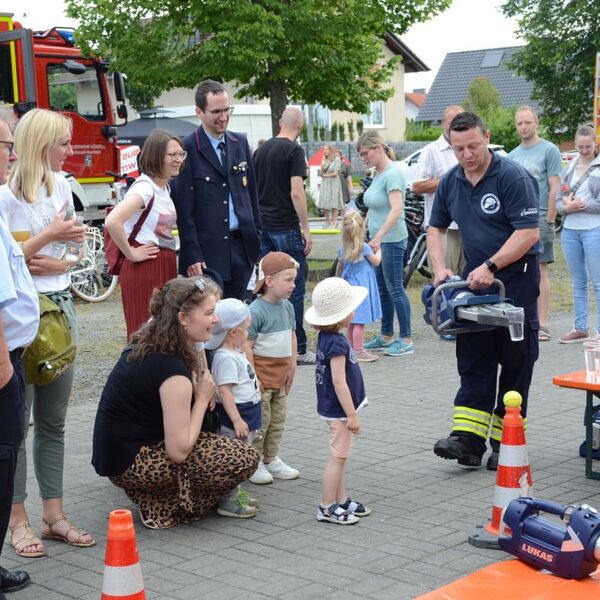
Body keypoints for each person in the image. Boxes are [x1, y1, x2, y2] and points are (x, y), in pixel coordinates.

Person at [92, 277, 259, 529]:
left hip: (120, 453)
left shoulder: (155, 340)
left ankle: (156, 495)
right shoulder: (170, 367)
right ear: (182, 318)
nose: (217, 320)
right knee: (244, 457)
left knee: (212, 441)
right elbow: (178, 451)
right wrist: (202, 398)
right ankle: (163, 503)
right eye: (210, 313)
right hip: (134, 461)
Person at [0, 109, 94, 558]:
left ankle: (53, 515)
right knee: (17, 425)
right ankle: (16, 521)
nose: (70, 151)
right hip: (21, 318)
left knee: (53, 423)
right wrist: (46, 238)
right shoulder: (5, 196)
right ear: (41, 145)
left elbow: (76, 250)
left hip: (60, 308)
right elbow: (8, 258)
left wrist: (62, 259)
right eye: (63, 143)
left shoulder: (62, 187)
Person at [427, 111, 540, 471]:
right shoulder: (451, 181)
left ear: (487, 136)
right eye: (459, 148)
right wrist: (440, 268)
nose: (467, 154)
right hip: (475, 283)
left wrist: (491, 266)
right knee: (474, 358)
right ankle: (468, 441)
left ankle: (506, 442)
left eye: (473, 145)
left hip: (514, 280)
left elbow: (528, 233)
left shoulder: (511, 177)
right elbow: (436, 228)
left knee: (516, 361)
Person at [172, 79, 260, 300]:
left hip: (242, 248)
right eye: (216, 111)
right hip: (206, 255)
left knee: (237, 316)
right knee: (209, 320)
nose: (223, 117)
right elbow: (184, 209)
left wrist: (256, 236)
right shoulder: (188, 149)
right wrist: (191, 254)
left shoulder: (239, 143)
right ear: (199, 112)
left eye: (227, 110)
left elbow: (251, 197)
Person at [0, 110, 38, 597]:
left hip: (11, 352)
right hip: (3, 359)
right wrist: (4, 366)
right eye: (6, 144)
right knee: (2, 461)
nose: (11, 154)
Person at [104, 130, 183, 339]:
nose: (178, 160)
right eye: (172, 155)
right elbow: (112, 221)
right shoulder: (145, 188)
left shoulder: (163, 187)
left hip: (161, 264)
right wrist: (131, 253)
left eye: (180, 154)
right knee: (144, 332)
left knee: (162, 331)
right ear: (156, 156)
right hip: (145, 267)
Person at [305, 277, 371, 525]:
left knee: (341, 456)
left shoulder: (327, 337)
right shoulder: (337, 342)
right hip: (340, 411)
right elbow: (338, 382)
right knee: (338, 457)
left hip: (334, 408)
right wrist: (351, 414)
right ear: (343, 315)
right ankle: (326, 505)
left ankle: (340, 499)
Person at [253, 107, 314, 364]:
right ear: (300, 126)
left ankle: (266, 339)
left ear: (280, 122)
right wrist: (306, 228)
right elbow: (297, 191)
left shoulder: (260, 151)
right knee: (293, 285)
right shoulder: (294, 151)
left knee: (266, 284)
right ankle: (297, 346)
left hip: (263, 226)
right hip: (286, 226)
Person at [357, 131, 413, 357]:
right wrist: (363, 227)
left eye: (365, 153)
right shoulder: (378, 174)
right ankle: (387, 334)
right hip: (378, 240)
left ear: (378, 149)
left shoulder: (393, 174)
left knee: (395, 287)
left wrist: (378, 236)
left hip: (391, 239)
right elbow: (372, 205)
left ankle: (406, 338)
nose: (363, 158)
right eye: (361, 155)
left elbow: (397, 209)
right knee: (383, 289)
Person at [245, 252, 299, 484]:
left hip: (281, 376)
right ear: (269, 281)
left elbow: (293, 336)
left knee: (278, 420)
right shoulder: (255, 310)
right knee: (261, 421)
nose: (293, 285)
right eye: (288, 280)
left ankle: (271, 458)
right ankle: (253, 461)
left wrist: (292, 365)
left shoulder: (288, 307)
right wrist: (254, 377)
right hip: (263, 378)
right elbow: (247, 345)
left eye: (293, 279)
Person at [508, 106, 561, 342]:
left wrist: (550, 217)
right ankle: (525, 321)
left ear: (537, 122)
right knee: (520, 271)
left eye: (527, 122)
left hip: (540, 217)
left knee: (540, 270)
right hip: (517, 221)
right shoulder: (512, 155)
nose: (523, 127)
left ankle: (544, 323)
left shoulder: (549, 150)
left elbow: (554, 186)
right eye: (519, 123)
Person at [205, 298, 262, 518]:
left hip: (248, 411)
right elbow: (226, 391)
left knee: (242, 457)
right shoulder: (225, 357)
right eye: (247, 329)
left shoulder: (235, 352)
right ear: (234, 332)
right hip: (235, 416)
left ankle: (238, 496)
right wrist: (237, 420)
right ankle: (228, 502)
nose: (248, 334)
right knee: (234, 461)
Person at [556, 124, 600, 343]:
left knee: (598, 281)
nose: (584, 151)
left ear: (595, 144)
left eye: (588, 147)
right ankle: (580, 326)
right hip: (570, 230)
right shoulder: (569, 166)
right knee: (578, 280)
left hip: (594, 229)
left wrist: (580, 206)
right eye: (580, 147)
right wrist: (567, 208)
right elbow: (558, 200)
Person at [412, 105, 465, 275]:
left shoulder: (468, 148)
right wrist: (447, 180)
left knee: (470, 280)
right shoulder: (431, 151)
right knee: (447, 280)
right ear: (443, 124)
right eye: (452, 123)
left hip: (469, 225)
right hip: (444, 228)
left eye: (460, 122)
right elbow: (417, 186)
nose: (456, 126)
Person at [335, 211, 382, 362]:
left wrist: (337, 280)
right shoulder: (364, 247)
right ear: (361, 230)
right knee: (360, 321)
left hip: (349, 286)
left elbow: (339, 267)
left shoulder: (343, 248)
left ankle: (351, 348)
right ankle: (359, 350)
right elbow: (376, 262)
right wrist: (379, 251)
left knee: (351, 320)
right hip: (362, 288)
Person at [318, 145, 344, 229]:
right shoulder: (324, 160)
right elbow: (321, 174)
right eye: (324, 149)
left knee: (334, 203)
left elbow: (335, 173)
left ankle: (334, 222)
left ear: (330, 150)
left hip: (334, 183)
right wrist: (322, 167)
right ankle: (328, 221)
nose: (325, 151)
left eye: (326, 149)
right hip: (325, 183)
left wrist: (326, 175)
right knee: (325, 202)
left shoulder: (336, 160)